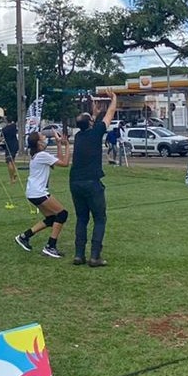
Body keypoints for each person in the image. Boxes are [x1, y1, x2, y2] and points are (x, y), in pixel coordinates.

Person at [69, 92, 117, 267]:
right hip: (91, 182)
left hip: (75, 181)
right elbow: (110, 114)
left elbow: (87, 123)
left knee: (82, 218)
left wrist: (94, 114)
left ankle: (78, 255)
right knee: (99, 218)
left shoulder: (79, 136)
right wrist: (114, 99)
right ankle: (95, 256)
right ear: (90, 123)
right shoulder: (96, 133)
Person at [15, 130, 71, 259]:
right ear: (39, 142)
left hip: (33, 192)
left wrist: (58, 144)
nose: (46, 138)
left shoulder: (39, 155)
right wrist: (67, 146)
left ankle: (24, 237)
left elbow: (58, 159)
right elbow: (65, 163)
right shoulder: (41, 155)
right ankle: (50, 247)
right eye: (43, 137)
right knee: (62, 214)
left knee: (51, 219)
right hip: (38, 192)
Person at [2, 118, 21, 183]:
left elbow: (1, 138)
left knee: (9, 162)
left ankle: (12, 178)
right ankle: (14, 173)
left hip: (9, 146)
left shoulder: (4, 129)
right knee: (12, 160)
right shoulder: (14, 126)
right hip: (15, 145)